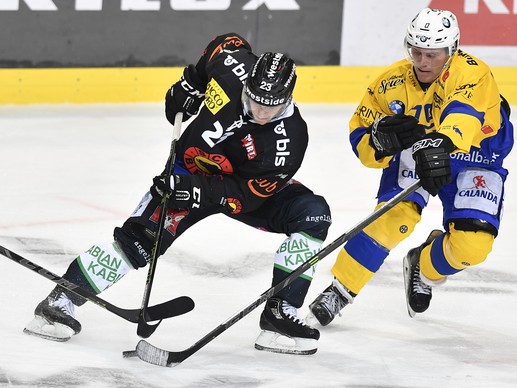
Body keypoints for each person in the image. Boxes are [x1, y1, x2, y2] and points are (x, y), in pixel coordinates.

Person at [24, 33, 331, 355]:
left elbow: (248, 197)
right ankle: (59, 302)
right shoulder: (233, 67)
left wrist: (195, 191)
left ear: (288, 97)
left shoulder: (289, 141)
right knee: (140, 241)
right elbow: (227, 42)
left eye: (272, 106)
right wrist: (192, 83)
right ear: (247, 84)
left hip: (240, 188)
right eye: (255, 101)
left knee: (312, 214)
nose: (262, 112)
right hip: (186, 171)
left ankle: (280, 313)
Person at [308, 8, 514, 324]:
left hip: (475, 154)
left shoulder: (473, 73)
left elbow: (462, 115)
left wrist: (441, 145)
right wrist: (378, 140)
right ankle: (340, 290)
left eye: (432, 54)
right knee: (393, 217)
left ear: (452, 49)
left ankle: (424, 267)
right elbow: (361, 133)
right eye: (416, 52)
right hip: (420, 148)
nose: (423, 62)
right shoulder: (389, 83)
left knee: (473, 245)